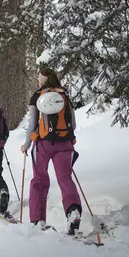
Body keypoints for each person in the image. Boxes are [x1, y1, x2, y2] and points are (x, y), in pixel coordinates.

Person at [20, 67, 82, 234]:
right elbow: (73, 123)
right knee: (65, 179)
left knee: (39, 180)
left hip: (43, 144)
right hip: (65, 144)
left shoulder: (37, 96)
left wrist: (26, 144)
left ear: (42, 80)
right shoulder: (64, 95)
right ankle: (73, 211)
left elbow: (32, 125)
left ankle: (38, 220)